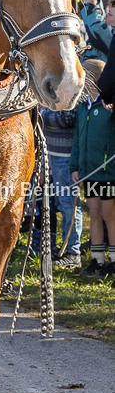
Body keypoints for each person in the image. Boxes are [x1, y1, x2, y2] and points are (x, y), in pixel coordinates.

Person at [70, 59, 115, 278]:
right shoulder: (83, 106)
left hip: (107, 172)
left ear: (94, 79)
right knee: (94, 213)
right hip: (89, 172)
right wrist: (74, 165)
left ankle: (113, 261)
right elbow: (77, 140)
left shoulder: (109, 106)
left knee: (109, 215)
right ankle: (97, 260)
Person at [41, 106, 82, 268]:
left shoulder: (74, 96)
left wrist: (45, 113)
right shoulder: (54, 98)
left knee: (69, 204)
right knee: (60, 204)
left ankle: (73, 253)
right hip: (51, 154)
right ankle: (65, 247)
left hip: (66, 157)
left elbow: (66, 119)